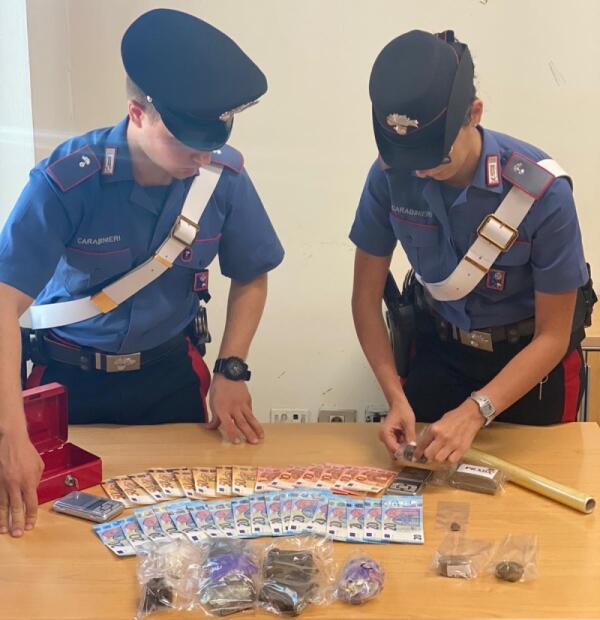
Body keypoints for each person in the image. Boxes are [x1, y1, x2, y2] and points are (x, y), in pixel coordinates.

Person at [0, 8, 284, 537]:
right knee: (58, 538)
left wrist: (232, 369)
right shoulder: (67, 182)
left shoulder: (221, 177)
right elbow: (3, 301)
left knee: (184, 531)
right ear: (137, 113)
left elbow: (251, 274)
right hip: (68, 381)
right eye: (186, 140)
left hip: (169, 378)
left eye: (210, 142)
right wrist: (8, 432)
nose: (201, 156)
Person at [350, 30, 592, 466]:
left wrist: (477, 410)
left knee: (542, 490)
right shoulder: (389, 177)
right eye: (411, 159)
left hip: (529, 368)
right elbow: (365, 300)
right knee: (421, 488)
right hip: (439, 353)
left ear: (474, 114)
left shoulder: (542, 193)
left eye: (436, 157)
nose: (421, 172)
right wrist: (394, 396)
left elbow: (553, 335)